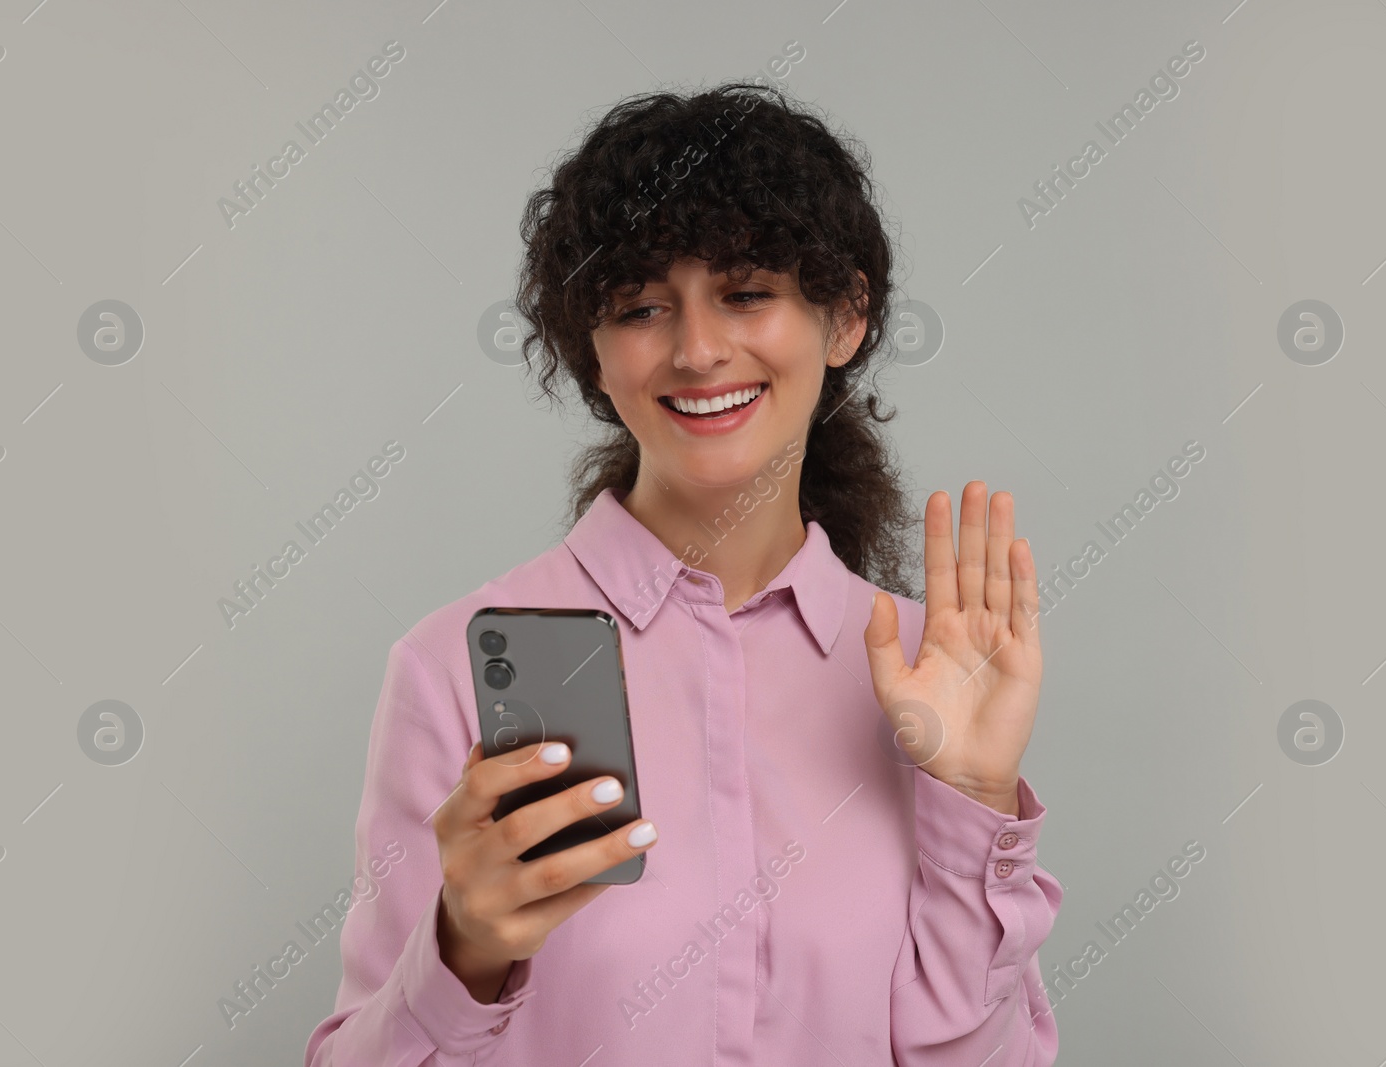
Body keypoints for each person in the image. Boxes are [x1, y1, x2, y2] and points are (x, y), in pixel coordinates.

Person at [305, 81, 1061, 1066]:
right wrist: (466, 949)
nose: (698, 349)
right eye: (641, 307)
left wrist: (973, 800)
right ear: (594, 350)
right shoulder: (450, 668)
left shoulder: (932, 673)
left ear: (845, 318)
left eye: (746, 292)